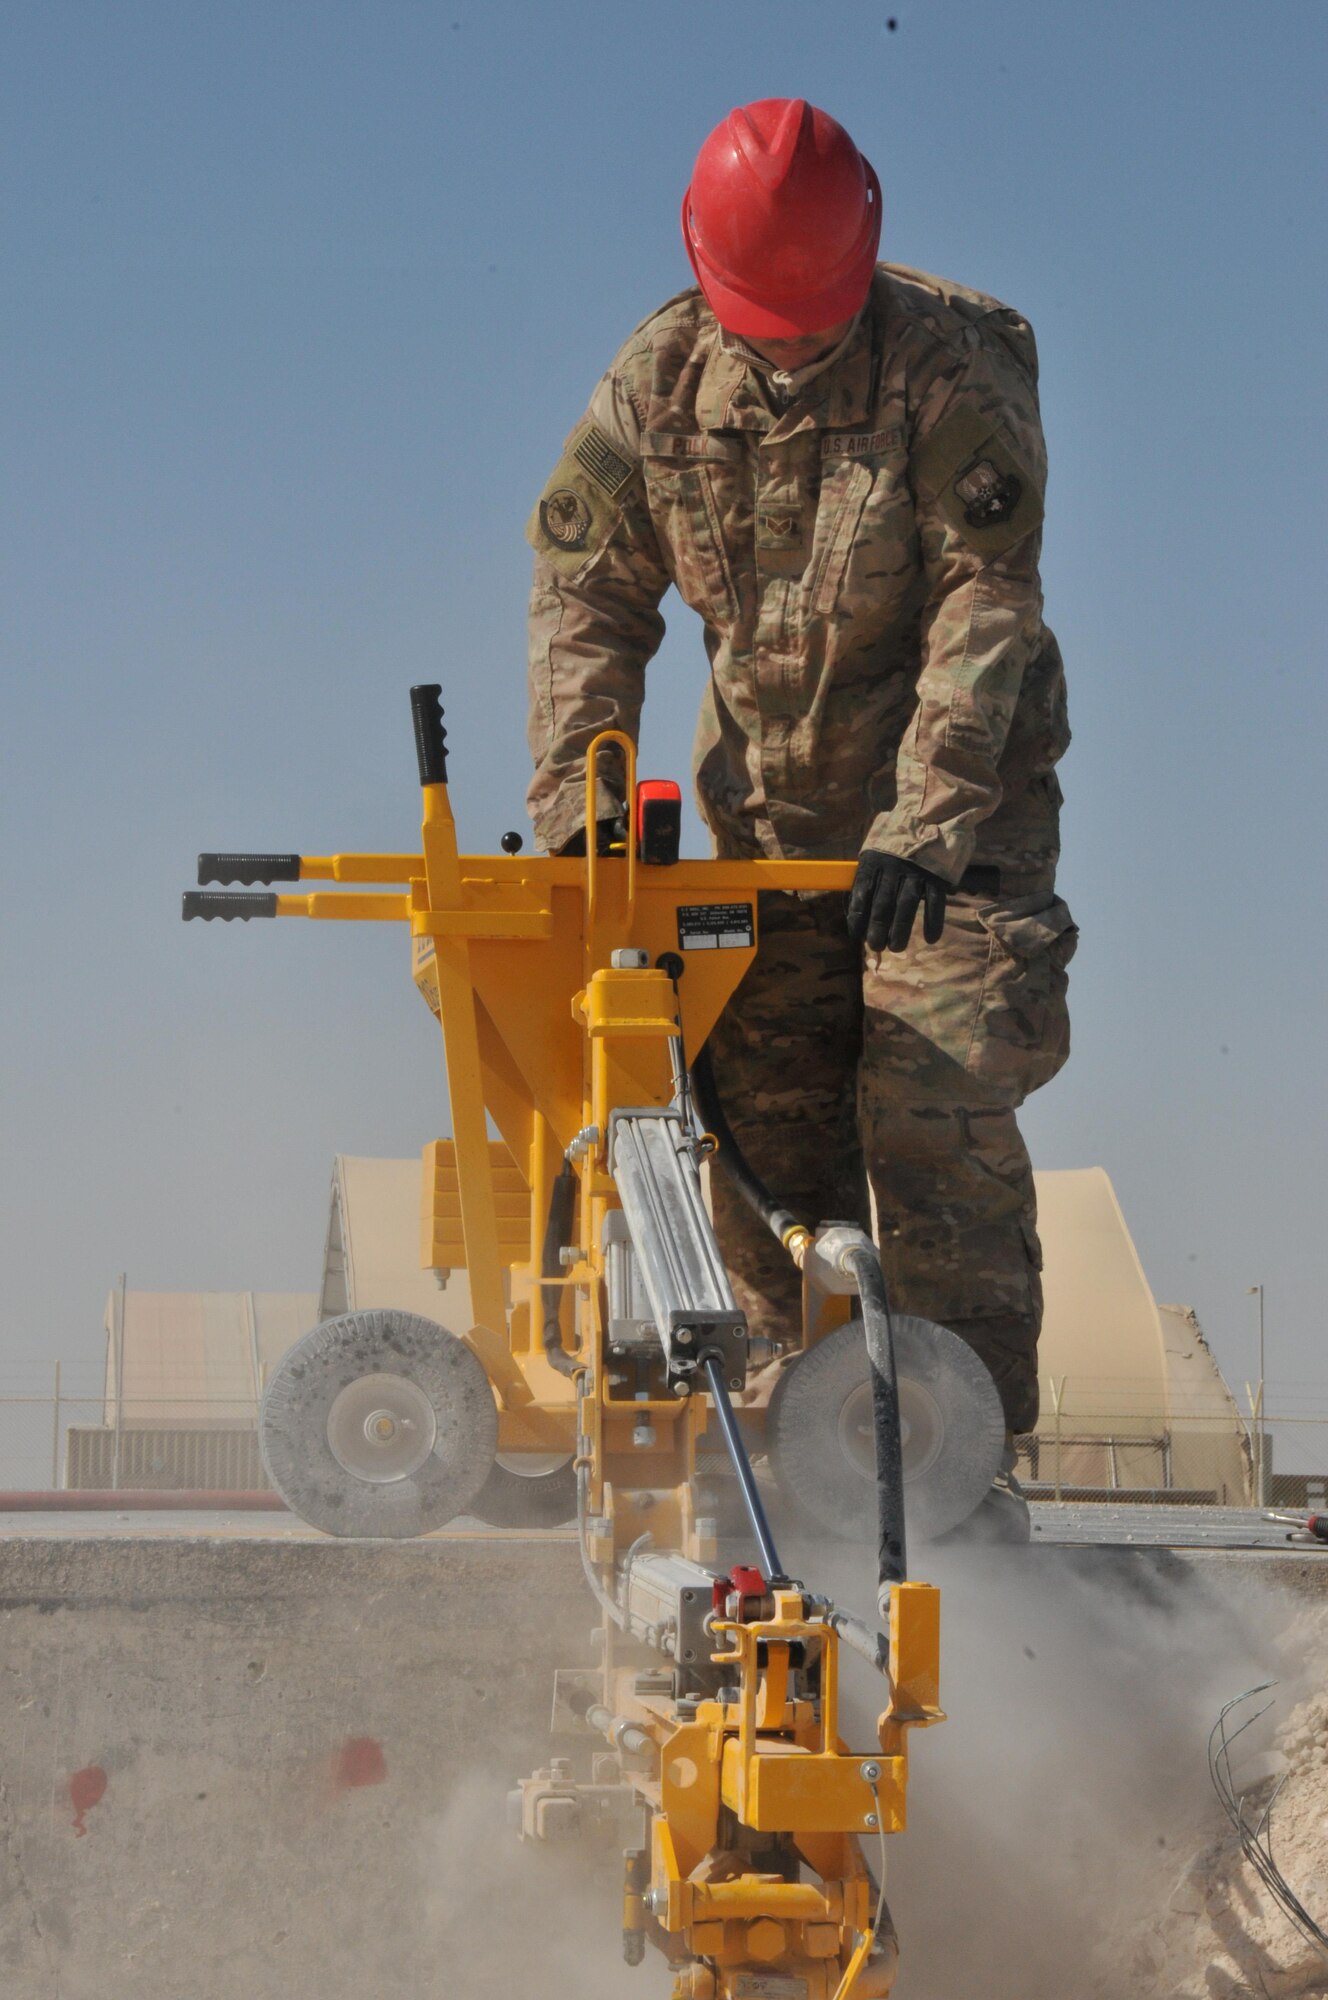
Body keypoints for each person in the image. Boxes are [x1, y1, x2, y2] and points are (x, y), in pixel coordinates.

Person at [525, 98, 1075, 1536]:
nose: (784, 351)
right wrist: (582, 803)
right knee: (757, 1125)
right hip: (769, 833)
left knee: (931, 1095)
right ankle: (791, 1467)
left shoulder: (952, 371)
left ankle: (961, 1476)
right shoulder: (657, 380)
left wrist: (927, 821)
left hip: (952, 837)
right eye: (763, 324)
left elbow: (987, 606)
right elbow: (586, 596)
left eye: (811, 326)